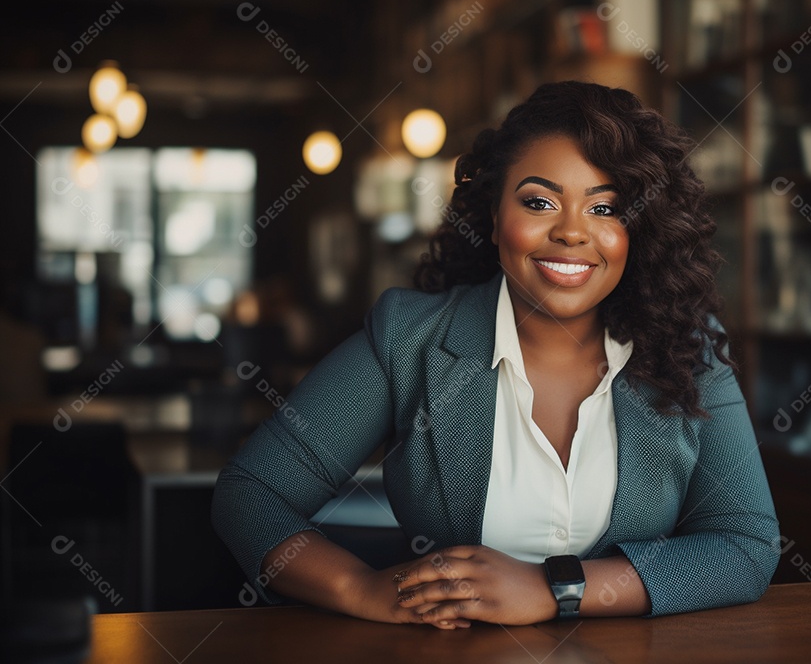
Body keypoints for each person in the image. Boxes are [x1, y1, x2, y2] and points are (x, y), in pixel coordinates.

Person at [211, 81, 779, 629]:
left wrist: (557, 589)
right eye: (539, 202)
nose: (573, 233)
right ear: (492, 214)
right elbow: (251, 495)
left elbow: (745, 545)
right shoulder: (409, 339)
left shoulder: (686, 346)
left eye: (606, 209)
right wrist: (360, 588)